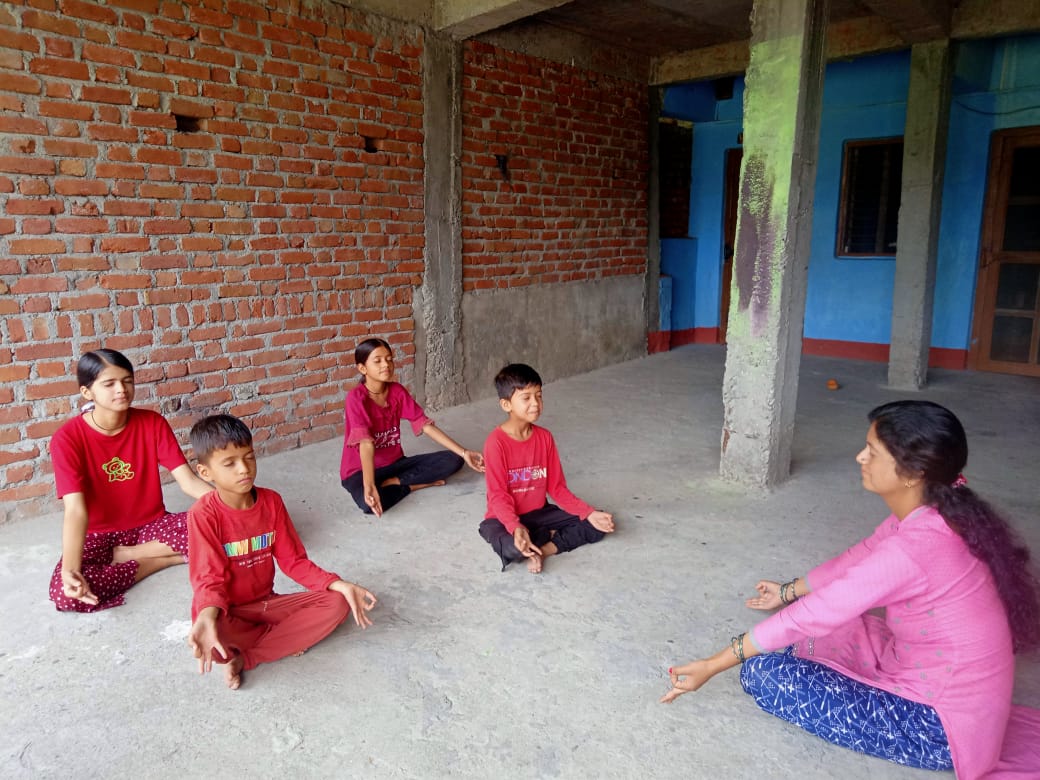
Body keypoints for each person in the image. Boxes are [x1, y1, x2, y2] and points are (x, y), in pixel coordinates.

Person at [661, 401, 1040, 778]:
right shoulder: (932, 514)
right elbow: (858, 559)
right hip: (942, 682)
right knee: (802, 631)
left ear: (913, 474)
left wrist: (713, 665)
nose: (860, 457)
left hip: (939, 724)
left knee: (764, 673)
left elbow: (821, 609)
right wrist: (788, 592)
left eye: (872, 452)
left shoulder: (915, 547)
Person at [187, 414, 377, 690]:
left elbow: (294, 562)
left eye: (249, 457)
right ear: (205, 473)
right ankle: (280, 640)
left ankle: (249, 657)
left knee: (337, 603)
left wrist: (338, 584)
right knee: (214, 641)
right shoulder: (203, 515)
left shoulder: (271, 501)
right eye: (230, 463)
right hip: (228, 611)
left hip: (266, 604)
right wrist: (206, 615)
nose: (244, 469)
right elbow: (208, 578)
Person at [48, 349, 213, 612]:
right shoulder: (67, 439)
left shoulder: (152, 423)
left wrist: (231, 506)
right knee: (66, 594)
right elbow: (75, 510)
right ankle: (163, 560)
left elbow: (189, 482)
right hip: (99, 537)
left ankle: (133, 555)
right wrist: (70, 570)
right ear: (87, 392)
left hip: (152, 526)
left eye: (127, 381)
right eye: (109, 384)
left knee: (224, 528)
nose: (121, 390)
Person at [478, 363, 615, 573]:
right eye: (526, 398)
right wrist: (516, 527)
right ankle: (536, 539)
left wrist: (589, 513)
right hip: (501, 518)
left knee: (598, 522)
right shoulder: (495, 443)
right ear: (506, 405)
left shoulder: (545, 437)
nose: (536, 403)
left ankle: (543, 549)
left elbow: (557, 488)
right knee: (512, 548)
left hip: (540, 513)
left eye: (539, 395)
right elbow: (498, 495)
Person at [340, 337, 484, 517]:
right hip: (360, 470)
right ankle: (414, 485)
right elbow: (366, 443)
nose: (386, 364)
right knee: (368, 504)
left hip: (395, 464)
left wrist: (464, 452)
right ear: (362, 368)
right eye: (377, 361)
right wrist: (369, 485)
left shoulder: (397, 391)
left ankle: (394, 482)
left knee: (453, 459)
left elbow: (425, 425)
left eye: (389, 359)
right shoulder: (356, 398)